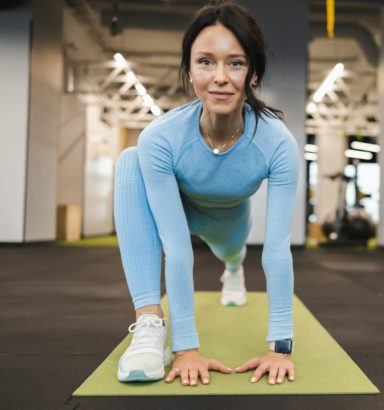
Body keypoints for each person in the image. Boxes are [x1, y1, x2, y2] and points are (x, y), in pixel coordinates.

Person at [113, 0, 298, 388]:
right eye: (205, 62)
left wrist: (280, 348)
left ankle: (233, 272)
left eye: (235, 62)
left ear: (253, 72)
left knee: (232, 253)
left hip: (230, 218)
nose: (219, 77)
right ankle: (149, 325)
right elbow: (176, 247)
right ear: (190, 69)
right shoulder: (161, 137)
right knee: (130, 160)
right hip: (179, 209)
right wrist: (187, 349)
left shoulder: (277, 143)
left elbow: (278, 248)